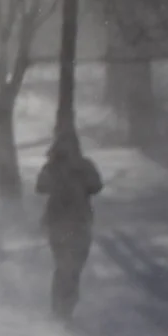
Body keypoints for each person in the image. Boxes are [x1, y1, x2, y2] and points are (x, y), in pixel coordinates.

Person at [36, 130, 103, 322]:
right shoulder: (78, 166)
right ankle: (62, 309)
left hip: (69, 223)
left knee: (68, 268)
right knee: (69, 268)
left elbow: (96, 186)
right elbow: (96, 186)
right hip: (71, 223)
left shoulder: (63, 166)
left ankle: (63, 309)